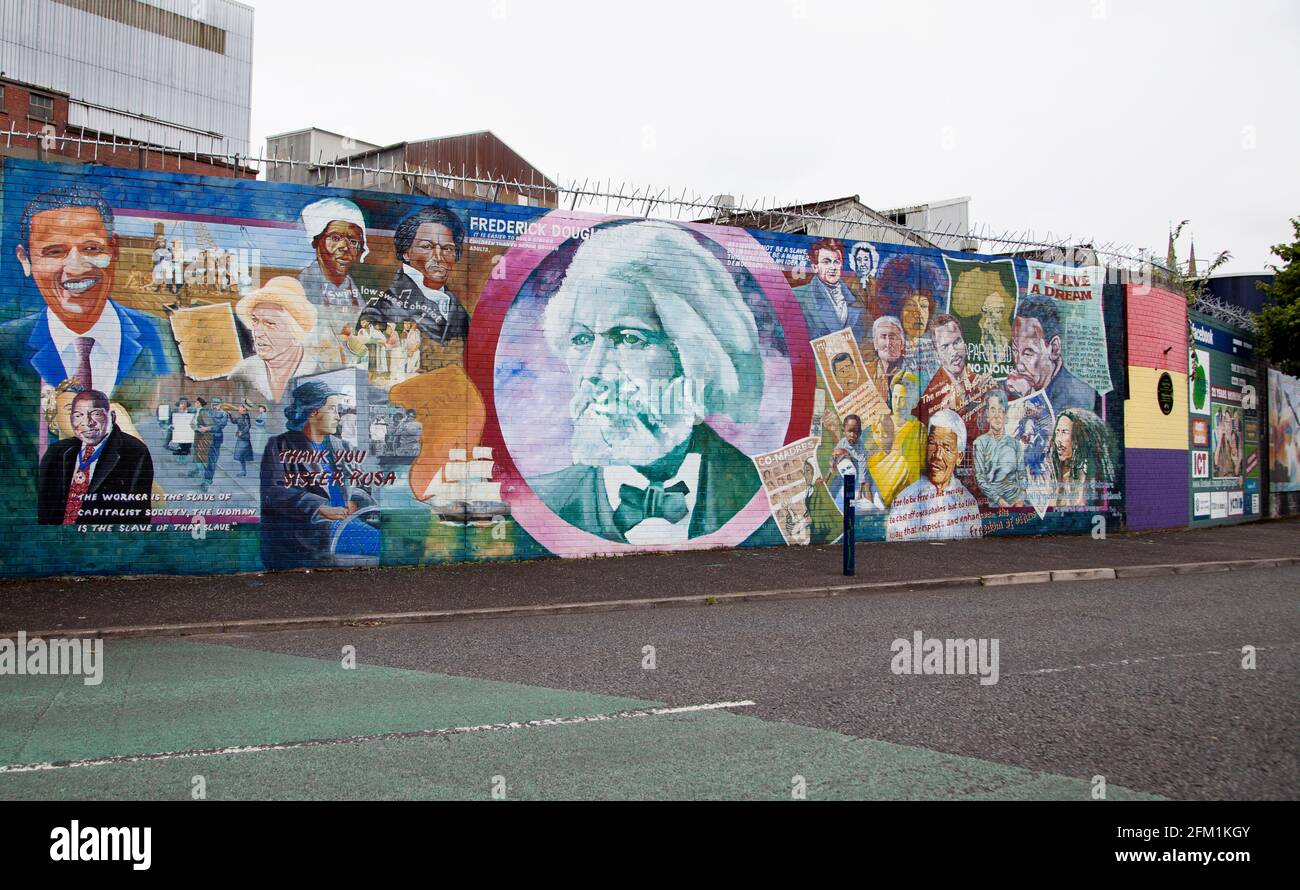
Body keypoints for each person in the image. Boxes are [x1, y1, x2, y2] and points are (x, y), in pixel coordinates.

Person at [527, 220, 764, 545]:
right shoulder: (542, 501)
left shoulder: (761, 493)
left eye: (629, 338)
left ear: (696, 358)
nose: (593, 372)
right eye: (582, 339)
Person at [2, 186, 179, 422]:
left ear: (114, 250)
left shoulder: (166, 337)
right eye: (55, 252)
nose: (76, 268)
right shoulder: (6, 347)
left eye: (91, 249)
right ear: (26, 260)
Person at [260, 381, 378, 570]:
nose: (338, 417)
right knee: (379, 544)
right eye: (332, 409)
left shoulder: (343, 447)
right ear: (312, 412)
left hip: (344, 524)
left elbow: (362, 483)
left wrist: (354, 501)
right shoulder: (280, 445)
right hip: (307, 534)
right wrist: (320, 508)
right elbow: (274, 492)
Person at [358, 205, 470, 372]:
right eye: (427, 247)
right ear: (406, 252)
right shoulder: (380, 311)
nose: (439, 257)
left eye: (447, 248)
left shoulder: (461, 316)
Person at [37, 388, 153, 525]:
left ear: (112, 417)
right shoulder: (57, 451)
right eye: (78, 415)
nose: (87, 422)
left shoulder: (134, 452)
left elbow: (138, 517)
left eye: (96, 414)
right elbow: (42, 507)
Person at [887, 408, 982, 541]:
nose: (937, 455)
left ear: (959, 457)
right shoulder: (904, 500)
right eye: (932, 443)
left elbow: (972, 552)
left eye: (946, 448)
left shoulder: (967, 504)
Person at [229, 278, 321, 403]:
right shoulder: (243, 372)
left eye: (270, 323)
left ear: (295, 332)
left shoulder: (317, 374)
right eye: (255, 321)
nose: (258, 333)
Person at [1007, 295, 1099, 412]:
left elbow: (1053, 429)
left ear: (1054, 349)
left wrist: (1027, 398)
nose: (1019, 366)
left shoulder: (1076, 397)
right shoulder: (1018, 387)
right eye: (1015, 351)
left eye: (1028, 354)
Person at [875, 255, 945, 391]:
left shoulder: (935, 354)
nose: (918, 313)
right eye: (911, 306)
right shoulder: (887, 353)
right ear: (897, 310)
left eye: (924, 306)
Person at [916, 314, 995, 432]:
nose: (954, 352)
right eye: (945, 347)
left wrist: (993, 395)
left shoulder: (981, 382)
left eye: (957, 342)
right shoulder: (931, 398)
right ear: (937, 353)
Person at [867, 369, 925, 507]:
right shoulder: (881, 423)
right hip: (880, 495)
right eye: (895, 398)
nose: (898, 404)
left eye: (903, 399)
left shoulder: (919, 428)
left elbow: (922, 466)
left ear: (913, 401)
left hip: (909, 497)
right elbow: (868, 458)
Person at [795, 239, 862, 340]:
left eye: (836, 262)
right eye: (826, 262)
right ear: (815, 267)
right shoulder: (799, 296)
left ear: (841, 265)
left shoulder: (856, 297)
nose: (833, 267)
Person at [1050, 407, 1115, 508]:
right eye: (1057, 432)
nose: (1058, 439)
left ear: (1079, 438)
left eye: (1064, 432)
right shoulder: (1057, 471)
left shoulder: (1088, 472)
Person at [973, 388, 1026, 507]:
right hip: (994, 502)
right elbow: (980, 479)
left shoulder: (1015, 444)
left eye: (1000, 410)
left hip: (1018, 501)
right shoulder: (980, 443)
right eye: (992, 410)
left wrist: (1021, 498)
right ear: (986, 414)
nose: (997, 416)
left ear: (1005, 414)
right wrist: (999, 501)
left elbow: (1022, 474)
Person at [864, 316, 906, 406]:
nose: (888, 343)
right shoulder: (864, 373)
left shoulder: (912, 371)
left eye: (892, 337)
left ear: (902, 344)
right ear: (875, 344)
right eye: (883, 337)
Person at [196, 397, 229, 491]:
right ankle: (204, 475)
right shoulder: (208, 412)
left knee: (212, 459)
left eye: (216, 405)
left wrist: (207, 428)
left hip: (216, 439)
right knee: (201, 456)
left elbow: (220, 426)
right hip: (205, 437)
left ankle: (207, 479)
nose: (214, 406)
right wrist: (200, 426)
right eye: (213, 404)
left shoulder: (224, 414)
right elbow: (201, 420)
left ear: (220, 405)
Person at [232, 403, 254, 477]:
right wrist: (229, 414)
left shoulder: (246, 416)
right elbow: (234, 421)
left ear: (244, 409)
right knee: (241, 455)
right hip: (241, 438)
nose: (238, 408)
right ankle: (243, 471)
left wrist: (242, 432)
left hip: (244, 438)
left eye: (240, 407)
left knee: (241, 454)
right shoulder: (241, 416)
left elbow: (248, 426)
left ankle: (243, 471)